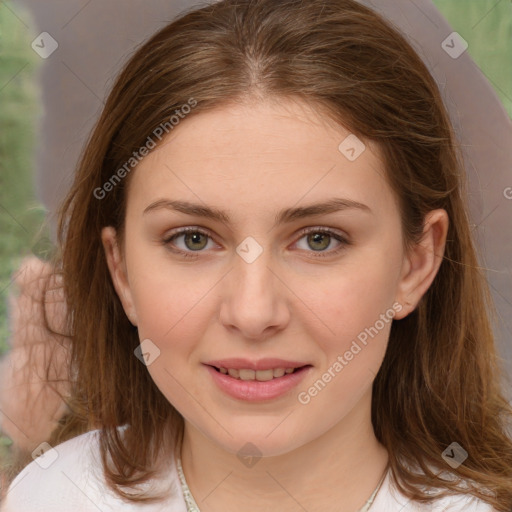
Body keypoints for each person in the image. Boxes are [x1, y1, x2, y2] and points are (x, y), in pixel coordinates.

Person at [1, 0, 511, 510]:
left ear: (415, 264)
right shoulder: (47, 497)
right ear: (122, 271)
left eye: (319, 239)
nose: (252, 313)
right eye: (192, 239)